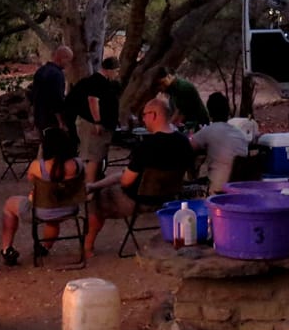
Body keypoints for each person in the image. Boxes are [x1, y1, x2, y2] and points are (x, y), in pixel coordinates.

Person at [84, 98, 194, 257]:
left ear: (154, 115)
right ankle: (94, 187)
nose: (143, 119)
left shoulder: (147, 146)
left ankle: (88, 246)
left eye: (144, 115)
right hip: (168, 199)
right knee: (102, 186)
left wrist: (97, 187)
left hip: (138, 201)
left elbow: (126, 181)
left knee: (96, 200)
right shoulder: (184, 142)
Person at [0, 127, 84, 266]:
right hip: (69, 209)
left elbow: (32, 181)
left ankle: (6, 248)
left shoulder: (38, 166)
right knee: (53, 218)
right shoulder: (78, 164)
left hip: (43, 210)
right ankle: (44, 247)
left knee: (10, 204)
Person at [65, 56, 121, 184]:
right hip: (91, 124)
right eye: (116, 71)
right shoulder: (97, 81)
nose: (117, 74)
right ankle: (88, 186)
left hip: (98, 124)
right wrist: (97, 121)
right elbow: (93, 100)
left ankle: (93, 182)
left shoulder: (103, 82)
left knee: (98, 155)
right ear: (109, 70)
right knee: (93, 156)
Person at [190, 92, 249, 194]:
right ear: (227, 112)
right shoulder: (240, 133)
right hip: (240, 189)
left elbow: (187, 148)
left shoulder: (208, 131)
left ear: (210, 113)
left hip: (218, 189)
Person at [30, 45, 74, 132]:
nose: (68, 64)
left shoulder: (40, 71)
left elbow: (33, 94)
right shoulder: (57, 75)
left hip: (39, 117)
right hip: (51, 120)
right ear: (62, 58)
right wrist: (61, 121)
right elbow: (56, 100)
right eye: (68, 61)